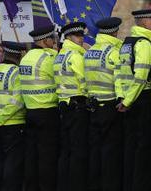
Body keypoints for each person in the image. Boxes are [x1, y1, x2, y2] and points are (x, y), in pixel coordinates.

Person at [118, 8, 151, 191]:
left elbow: (119, 73)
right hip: (141, 99)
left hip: (127, 99)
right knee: (143, 149)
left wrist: (123, 97)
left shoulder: (127, 42)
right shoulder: (143, 44)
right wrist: (128, 101)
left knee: (130, 147)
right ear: (145, 22)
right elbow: (141, 76)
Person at [0, 41, 28, 191]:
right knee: (12, 166)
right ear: (19, 54)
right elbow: (17, 101)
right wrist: (0, 119)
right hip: (12, 125)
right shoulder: (17, 72)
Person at [85, 17, 124, 191]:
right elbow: (119, 80)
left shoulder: (90, 51)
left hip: (93, 106)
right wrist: (123, 99)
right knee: (110, 152)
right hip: (110, 107)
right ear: (115, 32)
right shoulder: (114, 53)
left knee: (95, 151)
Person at [21, 24, 60, 191]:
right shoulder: (48, 58)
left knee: (32, 156)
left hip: (30, 111)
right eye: (52, 39)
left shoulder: (26, 58)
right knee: (47, 157)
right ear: (45, 40)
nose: (54, 42)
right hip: (48, 111)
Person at [54, 21, 89, 191]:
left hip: (64, 106)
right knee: (77, 151)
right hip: (77, 106)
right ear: (68, 37)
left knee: (65, 151)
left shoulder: (59, 55)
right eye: (77, 36)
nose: (81, 39)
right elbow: (84, 82)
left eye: (82, 35)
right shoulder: (76, 56)